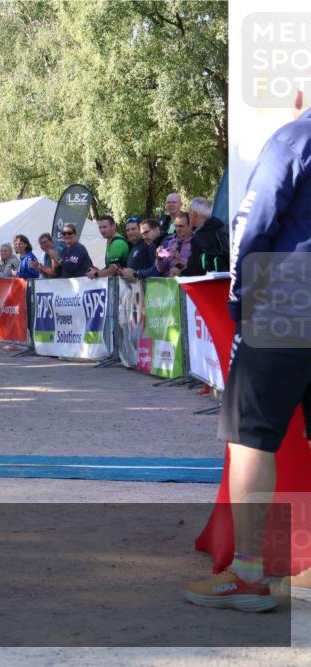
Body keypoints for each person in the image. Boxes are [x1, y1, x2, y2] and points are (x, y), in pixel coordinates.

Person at [184, 104, 311, 613]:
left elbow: (252, 221)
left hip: (287, 299)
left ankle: (249, 575)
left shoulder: (294, 139)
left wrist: (240, 297)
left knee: (248, 438)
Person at [183, 196, 229, 276]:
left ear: (195, 214)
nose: (188, 215)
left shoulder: (198, 238)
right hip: (231, 280)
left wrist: (181, 274)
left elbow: (194, 270)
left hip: (210, 284)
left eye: (190, 211)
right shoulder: (224, 229)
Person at [153, 212, 193, 277]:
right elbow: (161, 269)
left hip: (189, 283)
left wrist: (178, 261)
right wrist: (159, 259)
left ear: (190, 226)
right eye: (176, 226)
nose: (177, 229)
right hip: (172, 284)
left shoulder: (196, 242)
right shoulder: (172, 242)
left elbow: (196, 264)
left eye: (181, 226)